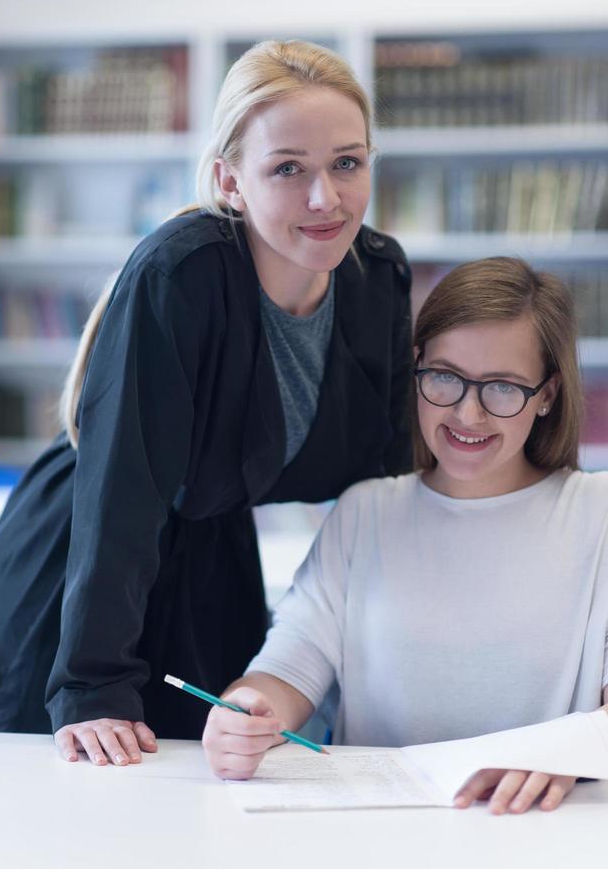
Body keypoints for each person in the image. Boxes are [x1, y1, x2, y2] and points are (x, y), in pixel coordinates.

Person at [0, 40, 413, 764]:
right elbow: (124, 492)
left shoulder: (376, 276)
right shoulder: (182, 273)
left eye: (347, 163)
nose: (325, 197)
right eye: (287, 168)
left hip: (211, 555)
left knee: (209, 789)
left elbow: (389, 486)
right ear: (231, 180)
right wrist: (92, 685)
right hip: (84, 564)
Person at [202, 256, 608, 815]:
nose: (468, 413)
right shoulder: (364, 513)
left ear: (548, 394)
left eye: (504, 388)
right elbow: (286, 671)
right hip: (378, 833)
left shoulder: (597, 514)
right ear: (415, 368)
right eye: (445, 376)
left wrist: (558, 752)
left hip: (537, 833)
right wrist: (242, 713)